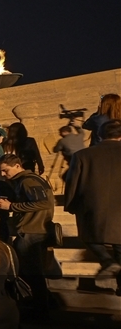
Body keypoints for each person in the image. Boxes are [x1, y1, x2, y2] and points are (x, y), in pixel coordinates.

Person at [0, 154, 54, 316]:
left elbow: (44, 202)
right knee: (31, 270)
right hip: (32, 229)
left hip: (32, 231)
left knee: (32, 271)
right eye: (1, 172)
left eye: (5, 170)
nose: (4, 174)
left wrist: (11, 206)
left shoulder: (28, 180)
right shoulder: (24, 180)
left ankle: (41, 308)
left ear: (17, 166)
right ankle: (43, 303)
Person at [65, 119, 121, 284]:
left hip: (92, 206)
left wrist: (70, 205)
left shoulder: (82, 155)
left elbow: (72, 182)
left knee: (89, 238)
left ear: (99, 134)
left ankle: (107, 261)